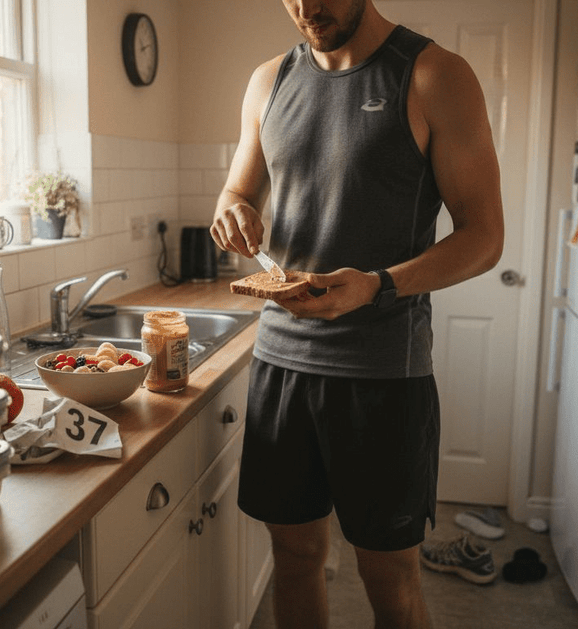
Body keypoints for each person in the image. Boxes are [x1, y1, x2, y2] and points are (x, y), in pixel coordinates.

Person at [210, 0, 504, 627]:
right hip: (280, 365)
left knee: (389, 578)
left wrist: (376, 286)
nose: (306, 7)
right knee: (293, 555)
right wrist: (232, 208)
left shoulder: (433, 74)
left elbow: (484, 235)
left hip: (383, 376)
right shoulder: (270, 80)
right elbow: (238, 188)